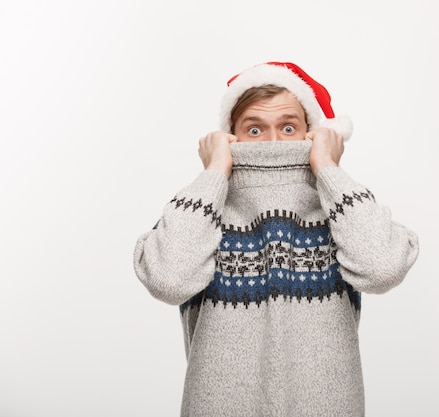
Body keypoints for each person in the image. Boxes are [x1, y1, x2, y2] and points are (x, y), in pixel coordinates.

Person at [133, 61, 419, 417]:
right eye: (254, 130)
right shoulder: (203, 210)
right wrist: (212, 174)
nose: (271, 143)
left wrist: (329, 169)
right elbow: (169, 280)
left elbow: (382, 269)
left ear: (314, 134)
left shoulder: (340, 209)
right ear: (229, 137)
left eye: (288, 127)